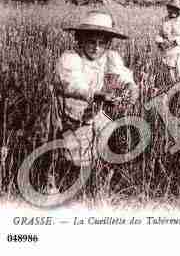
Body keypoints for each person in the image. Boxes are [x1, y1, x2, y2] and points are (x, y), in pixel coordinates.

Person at [55, 11, 139, 167]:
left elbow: (122, 74)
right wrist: (96, 94)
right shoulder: (71, 58)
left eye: (102, 43)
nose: (96, 48)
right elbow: (73, 84)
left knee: (112, 141)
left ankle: (100, 172)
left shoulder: (109, 57)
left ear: (108, 44)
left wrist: (131, 86)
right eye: (91, 42)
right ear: (81, 40)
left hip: (95, 113)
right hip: (71, 116)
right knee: (77, 160)